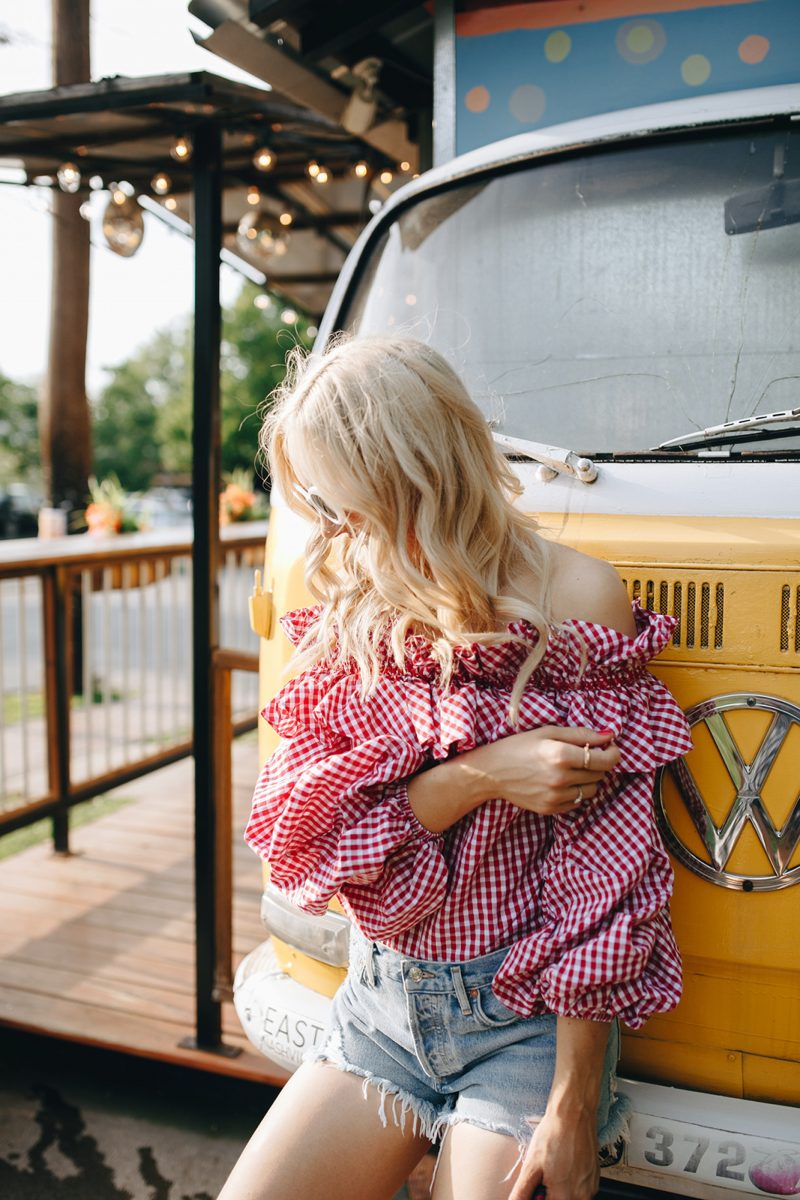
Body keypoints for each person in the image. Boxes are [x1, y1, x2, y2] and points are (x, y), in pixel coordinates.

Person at [219, 336, 693, 1200]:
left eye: (346, 500)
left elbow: (607, 878)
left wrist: (572, 1108)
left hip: (526, 1029)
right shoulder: (353, 593)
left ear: (416, 472)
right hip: (380, 1008)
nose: (334, 528)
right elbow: (306, 836)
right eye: (319, 502)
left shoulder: (579, 598)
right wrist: (481, 773)